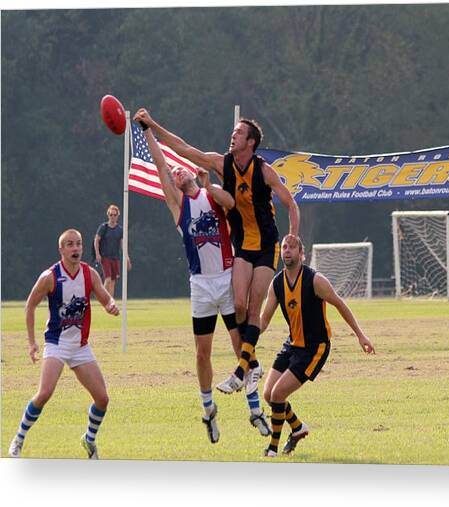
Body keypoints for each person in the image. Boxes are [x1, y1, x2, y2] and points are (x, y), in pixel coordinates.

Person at [132, 109, 300, 397]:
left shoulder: (264, 171)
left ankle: (241, 370)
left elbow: (291, 204)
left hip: (267, 245)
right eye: (233, 133)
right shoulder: (221, 164)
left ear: (251, 142)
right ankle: (251, 364)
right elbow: (182, 147)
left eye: (238, 134)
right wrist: (151, 124)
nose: (232, 136)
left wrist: (293, 235)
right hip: (243, 246)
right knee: (239, 303)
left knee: (255, 301)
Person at [7, 229, 119, 459]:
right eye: (70, 244)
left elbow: (105, 298)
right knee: (45, 393)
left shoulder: (90, 274)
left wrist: (110, 306)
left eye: (78, 244)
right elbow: (29, 306)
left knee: (102, 399)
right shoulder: (49, 276)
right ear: (62, 250)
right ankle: (18, 439)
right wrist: (31, 343)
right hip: (56, 344)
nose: (75, 248)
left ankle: (89, 439)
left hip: (80, 346)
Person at [260, 234, 375, 457]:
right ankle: (297, 427)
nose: (287, 251)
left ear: (302, 254)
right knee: (268, 394)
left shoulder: (315, 280)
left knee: (278, 394)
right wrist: (249, 333)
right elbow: (264, 320)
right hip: (292, 344)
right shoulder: (276, 284)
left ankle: (272, 449)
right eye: (284, 247)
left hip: (315, 348)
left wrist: (361, 336)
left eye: (292, 247)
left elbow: (340, 304)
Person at [94, 204, 131, 297]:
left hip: (115, 257)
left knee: (113, 281)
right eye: (111, 215)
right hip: (105, 256)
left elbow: (123, 245)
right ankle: (102, 297)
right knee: (108, 279)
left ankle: (110, 301)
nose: (113, 217)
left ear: (118, 215)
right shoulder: (103, 227)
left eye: (115, 215)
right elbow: (96, 240)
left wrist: (126, 257)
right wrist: (97, 254)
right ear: (108, 215)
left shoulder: (120, 230)